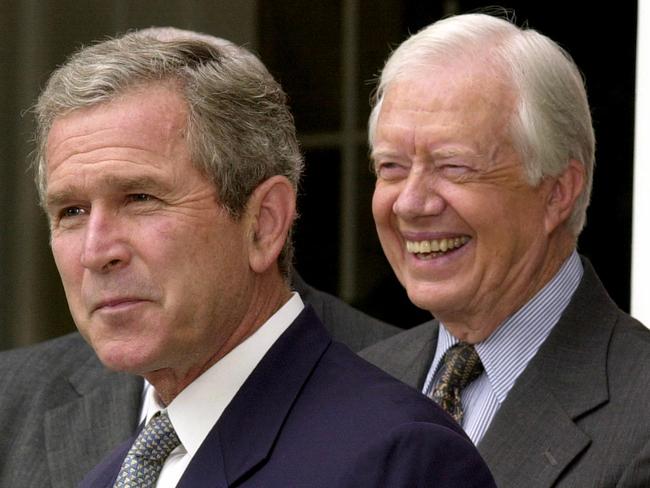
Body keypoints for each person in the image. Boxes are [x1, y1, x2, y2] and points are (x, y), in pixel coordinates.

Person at [0, 27, 495, 487]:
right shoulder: (111, 476)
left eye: (140, 198)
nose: (95, 251)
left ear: (264, 224)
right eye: (72, 211)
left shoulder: (400, 458)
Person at [360, 12, 650, 488]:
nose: (410, 203)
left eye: (453, 166)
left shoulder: (639, 417)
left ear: (557, 192)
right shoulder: (360, 378)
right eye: (391, 166)